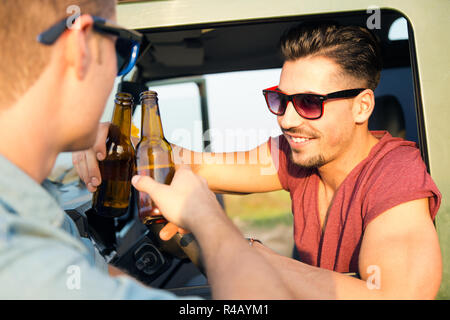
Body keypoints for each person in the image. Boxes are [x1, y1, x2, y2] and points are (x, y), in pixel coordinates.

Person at [76, 23, 443, 299]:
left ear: (362, 106)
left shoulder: (396, 175)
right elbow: (191, 163)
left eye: (309, 103)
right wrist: (113, 132)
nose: (286, 119)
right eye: (280, 100)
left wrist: (244, 251)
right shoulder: (297, 157)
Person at [0, 0, 293, 299]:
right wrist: (209, 220)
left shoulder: (41, 218)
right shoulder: (28, 263)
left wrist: (136, 148)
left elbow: (94, 275)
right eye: (122, 51)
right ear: (81, 50)